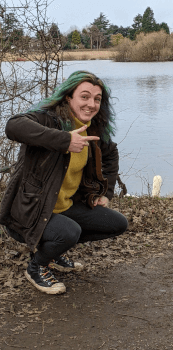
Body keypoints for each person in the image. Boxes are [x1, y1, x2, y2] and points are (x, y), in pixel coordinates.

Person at [0, 71, 128, 295]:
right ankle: (36, 266)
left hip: (64, 208)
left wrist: (106, 193)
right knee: (69, 232)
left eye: (97, 99)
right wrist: (65, 140)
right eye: (84, 96)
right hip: (29, 211)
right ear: (68, 97)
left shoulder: (93, 129)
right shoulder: (47, 119)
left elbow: (110, 155)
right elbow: (13, 126)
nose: (91, 104)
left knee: (116, 223)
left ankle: (51, 252)